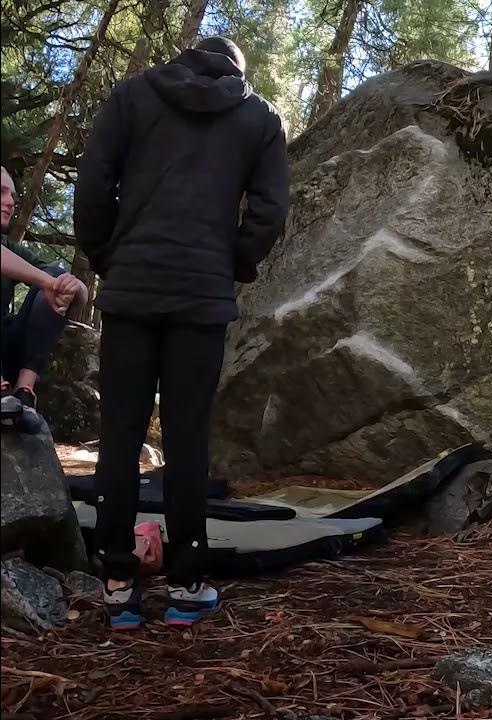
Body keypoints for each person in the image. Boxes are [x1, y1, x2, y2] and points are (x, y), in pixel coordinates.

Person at [73, 36, 289, 630]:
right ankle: (189, 583)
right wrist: (232, 265)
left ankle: (117, 582)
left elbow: (93, 185)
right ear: (236, 69)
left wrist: (107, 257)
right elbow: (270, 210)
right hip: (201, 296)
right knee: (188, 437)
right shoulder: (258, 116)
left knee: (117, 434)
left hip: (132, 288)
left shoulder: (133, 96)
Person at [1, 166, 88, 407]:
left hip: (8, 347)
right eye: (1, 192)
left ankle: (23, 392)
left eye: (13, 197)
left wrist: (71, 287)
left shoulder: (10, 247)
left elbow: (66, 283)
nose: (10, 202)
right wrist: (49, 283)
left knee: (57, 273)